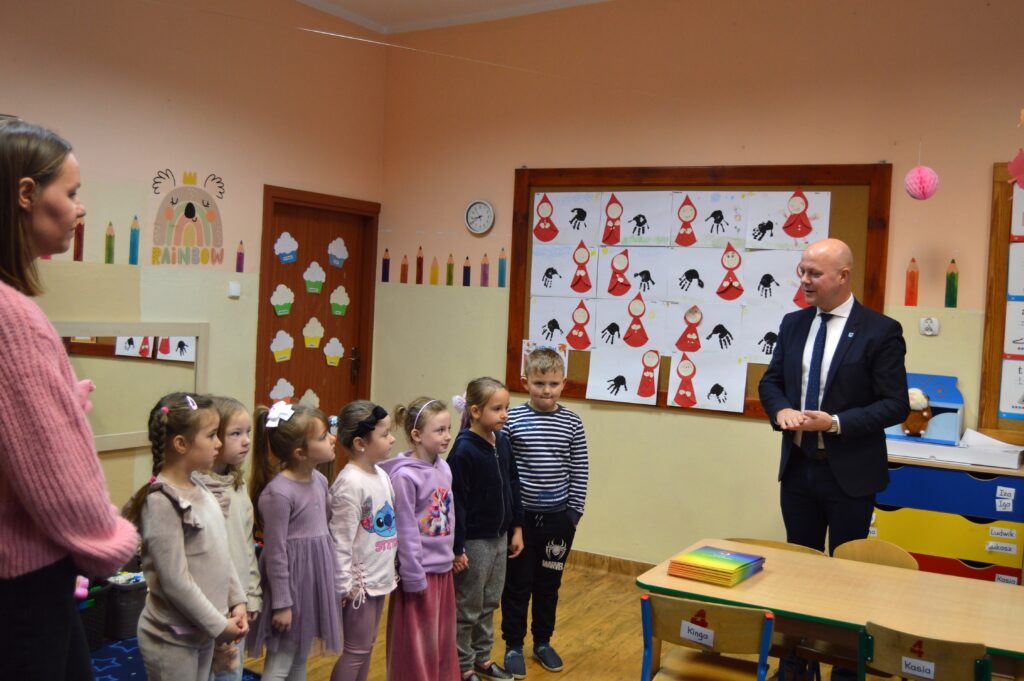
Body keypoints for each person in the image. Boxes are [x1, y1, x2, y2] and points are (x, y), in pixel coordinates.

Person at [0, 119, 139, 681]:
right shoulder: (12, 319)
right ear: (26, 193)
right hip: (22, 587)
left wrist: (56, 401)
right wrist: (109, 540)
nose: (81, 209)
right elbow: (54, 479)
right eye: (73, 193)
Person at [758, 238, 909, 681]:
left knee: (847, 579)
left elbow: (895, 404)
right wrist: (781, 410)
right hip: (798, 470)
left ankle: (845, 671)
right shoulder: (793, 324)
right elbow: (771, 382)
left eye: (814, 274)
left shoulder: (881, 331)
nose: (804, 280)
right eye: (802, 271)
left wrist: (836, 423)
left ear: (843, 276)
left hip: (850, 477)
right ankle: (796, 666)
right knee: (798, 573)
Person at [126, 392, 248, 681]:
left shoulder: (200, 487)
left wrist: (237, 600)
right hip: (172, 640)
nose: (219, 443)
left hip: (202, 631)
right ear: (181, 444)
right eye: (211, 435)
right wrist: (219, 626)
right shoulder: (161, 501)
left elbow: (221, 553)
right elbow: (175, 582)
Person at [500, 348, 589, 677]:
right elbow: (505, 471)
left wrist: (572, 515)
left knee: (548, 585)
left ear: (563, 383)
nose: (546, 390)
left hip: (558, 521)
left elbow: (580, 469)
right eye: (539, 383)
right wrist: (512, 519)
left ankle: (542, 642)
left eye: (553, 383)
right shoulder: (512, 420)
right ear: (526, 382)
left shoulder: (572, 423)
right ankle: (513, 644)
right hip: (521, 523)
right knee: (517, 585)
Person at [247, 401, 341, 681]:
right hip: (290, 590)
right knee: (280, 663)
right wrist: (282, 604)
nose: (332, 439)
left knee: (300, 658)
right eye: (323, 436)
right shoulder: (278, 493)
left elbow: (322, 531)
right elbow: (276, 554)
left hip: (312, 584)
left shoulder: (320, 481)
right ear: (300, 453)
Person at [448, 378, 524, 681]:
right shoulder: (463, 450)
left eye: (506, 407)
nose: (504, 414)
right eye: (497, 408)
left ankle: (482, 658)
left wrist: (517, 527)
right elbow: (457, 504)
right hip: (475, 542)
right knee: (468, 605)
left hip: (500, 537)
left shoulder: (502, 441)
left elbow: (513, 483)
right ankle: (463, 665)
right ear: (476, 411)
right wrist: (458, 548)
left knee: (490, 601)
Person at [379, 397, 460, 681]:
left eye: (449, 429)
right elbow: (405, 529)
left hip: (442, 570)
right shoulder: (404, 477)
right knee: (415, 643)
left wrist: (453, 554)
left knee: (441, 638)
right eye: (439, 430)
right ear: (416, 435)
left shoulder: (444, 468)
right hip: (419, 573)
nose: (447, 436)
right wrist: (413, 574)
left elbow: (448, 516)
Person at [328, 401, 399, 681]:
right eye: (385, 434)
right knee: (355, 651)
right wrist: (344, 586)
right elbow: (341, 540)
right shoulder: (350, 483)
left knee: (366, 648)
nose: (392, 439)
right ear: (360, 443)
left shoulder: (381, 474)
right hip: (358, 586)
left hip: (379, 577)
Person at [195, 396, 262, 681]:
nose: (246, 441)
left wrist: (251, 594)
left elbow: (247, 544)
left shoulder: (238, 483)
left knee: (230, 671)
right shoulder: (196, 488)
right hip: (205, 604)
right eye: (236, 434)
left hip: (237, 605)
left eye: (248, 432)